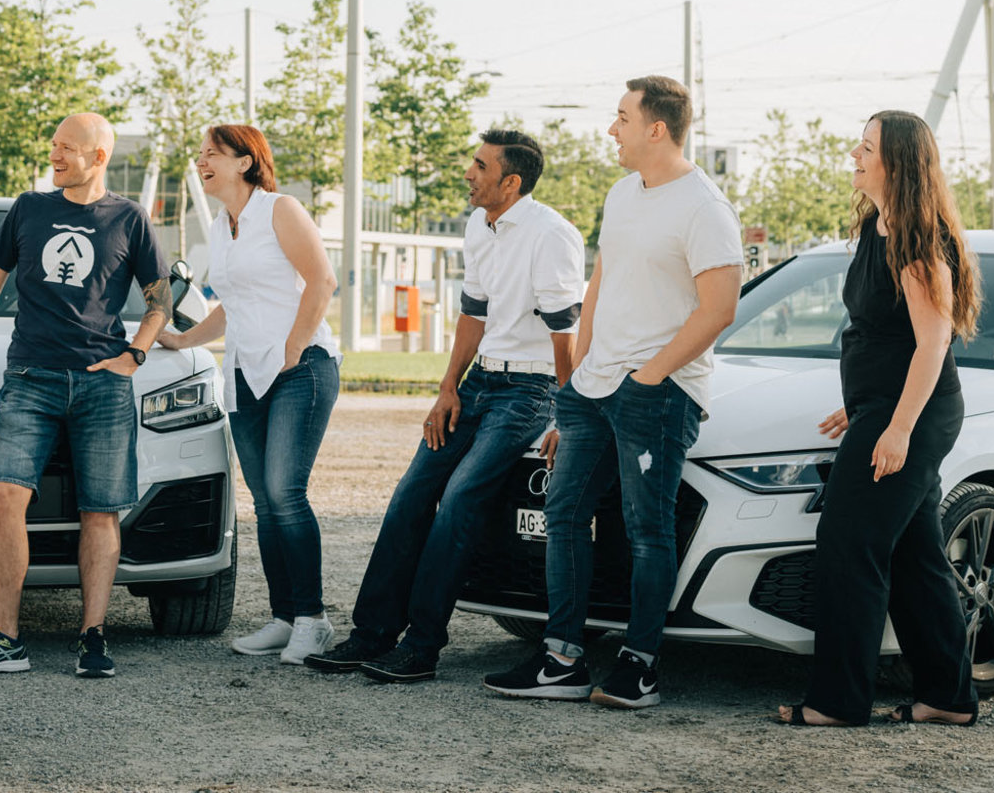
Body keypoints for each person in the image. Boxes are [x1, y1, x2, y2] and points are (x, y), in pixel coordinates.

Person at [484, 76, 741, 711]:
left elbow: (720, 308)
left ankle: (641, 665)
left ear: (657, 128)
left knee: (647, 528)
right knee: (565, 513)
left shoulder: (705, 208)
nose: (611, 129)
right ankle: (562, 659)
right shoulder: (623, 192)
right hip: (593, 387)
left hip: (660, 391)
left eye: (622, 118)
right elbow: (600, 281)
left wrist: (650, 376)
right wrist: (576, 377)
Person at [305, 128, 585, 683]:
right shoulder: (478, 226)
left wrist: (567, 414)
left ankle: (422, 648)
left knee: (459, 500)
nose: (468, 174)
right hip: (479, 384)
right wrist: (448, 387)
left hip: (531, 392)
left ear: (511, 181)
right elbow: (473, 315)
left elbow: (566, 335)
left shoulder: (552, 235)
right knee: (410, 495)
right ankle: (370, 637)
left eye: (479, 166)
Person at [0, 113, 174, 682]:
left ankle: (92, 636)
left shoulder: (129, 219)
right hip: (31, 378)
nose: (55, 155)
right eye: (54, 146)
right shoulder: (29, 209)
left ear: (99, 156)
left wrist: (134, 354)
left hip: (102, 383)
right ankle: (7, 641)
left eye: (67, 148)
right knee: (4, 497)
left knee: (100, 510)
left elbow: (160, 298)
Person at [778, 110, 981, 728]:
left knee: (848, 544)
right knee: (915, 554)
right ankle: (947, 697)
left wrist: (894, 428)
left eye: (867, 147)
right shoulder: (877, 229)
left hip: (914, 415)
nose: (855, 154)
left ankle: (838, 702)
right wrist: (863, 402)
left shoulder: (919, 245)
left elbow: (932, 344)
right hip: (883, 406)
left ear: (897, 164)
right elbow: (883, 334)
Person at [157, 124, 341, 665]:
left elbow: (322, 280)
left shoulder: (279, 209)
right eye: (199, 155)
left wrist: (293, 346)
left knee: (286, 493)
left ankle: (313, 618)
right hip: (244, 373)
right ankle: (285, 618)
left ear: (245, 162)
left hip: (300, 369)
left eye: (212, 154)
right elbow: (229, 303)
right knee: (264, 504)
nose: (202, 162)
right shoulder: (219, 224)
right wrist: (184, 339)